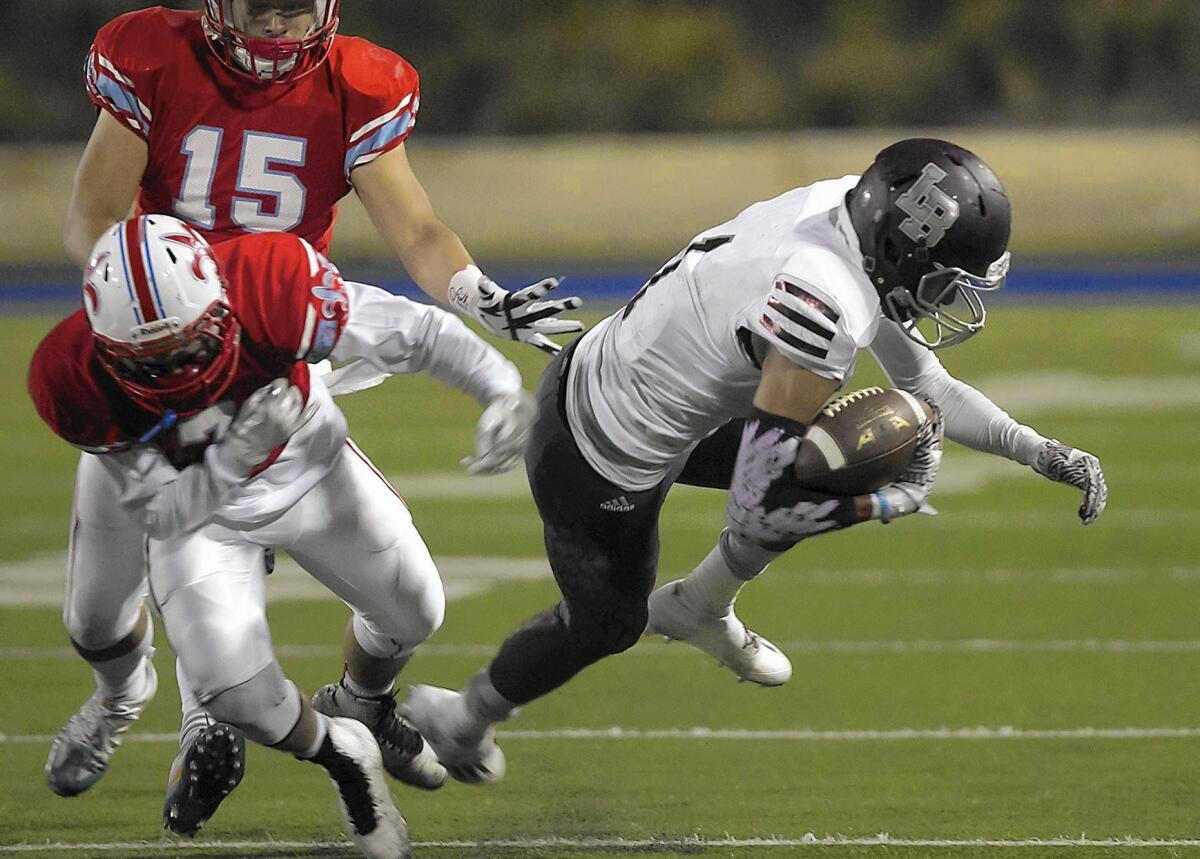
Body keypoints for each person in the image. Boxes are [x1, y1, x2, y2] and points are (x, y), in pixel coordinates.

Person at [401, 138, 1109, 783]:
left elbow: (927, 387)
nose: (951, 300)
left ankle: (701, 603)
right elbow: (760, 502)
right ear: (902, 253)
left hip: (637, 385)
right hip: (596, 453)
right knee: (610, 623)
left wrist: (1037, 450)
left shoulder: (845, 209)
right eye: (944, 283)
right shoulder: (821, 301)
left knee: (878, 435)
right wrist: (889, 503)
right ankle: (463, 718)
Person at [52, 0, 580, 834]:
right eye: (261, 11)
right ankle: (191, 711)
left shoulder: (355, 82)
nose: (277, 32)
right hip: (166, 343)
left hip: (278, 323)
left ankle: (349, 702)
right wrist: (147, 311)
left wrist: (478, 296)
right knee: (143, 569)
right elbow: (94, 215)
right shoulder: (153, 53)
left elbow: (415, 227)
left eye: (295, 12)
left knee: (407, 598)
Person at [30, 215, 536, 857]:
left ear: (219, 302)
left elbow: (412, 330)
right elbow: (160, 516)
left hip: (309, 468)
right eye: (151, 360)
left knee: (417, 610)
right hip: (202, 518)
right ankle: (344, 753)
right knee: (232, 693)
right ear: (107, 347)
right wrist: (234, 458)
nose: (179, 368)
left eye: (187, 344)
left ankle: (361, 704)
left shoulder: (273, 284)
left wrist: (498, 388)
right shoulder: (72, 375)